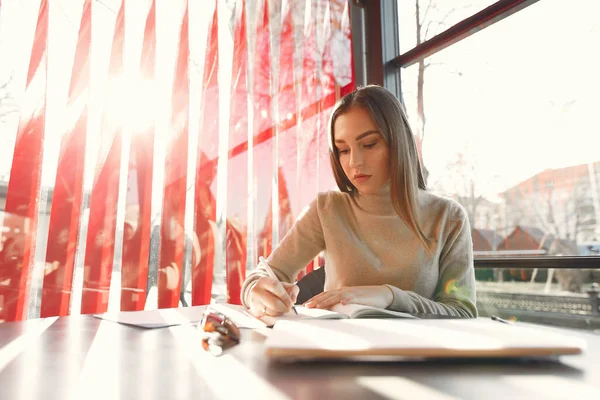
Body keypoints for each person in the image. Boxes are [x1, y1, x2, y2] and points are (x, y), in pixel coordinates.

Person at [240, 85, 477, 318]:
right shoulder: (328, 209)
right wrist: (256, 291)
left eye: (369, 144)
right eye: (343, 150)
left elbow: (462, 311)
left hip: (416, 354)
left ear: (398, 142)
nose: (354, 162)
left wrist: (389, 296)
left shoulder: (448, 217)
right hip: (337, 350)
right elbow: (266, 273)